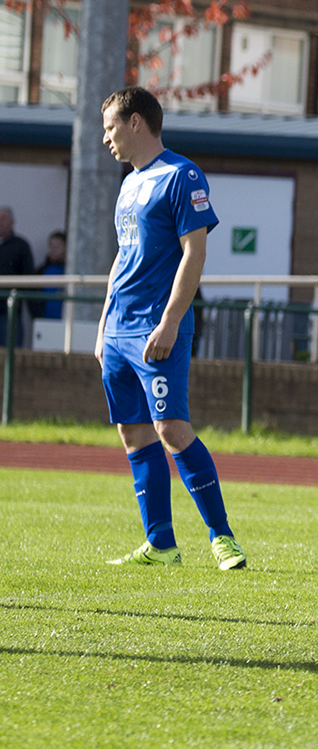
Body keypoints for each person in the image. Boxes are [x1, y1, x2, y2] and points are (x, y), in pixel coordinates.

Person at [93, 87, 246, 570]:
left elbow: (194, 253)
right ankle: (160, 543)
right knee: (134, 433)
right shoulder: (129, 183)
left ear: (137, 122)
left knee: (172, 428)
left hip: (157, 328)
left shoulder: (182, 176)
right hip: (119, 329)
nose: (106, 139)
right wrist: (102, 327)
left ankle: (223, 538)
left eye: (111, 127)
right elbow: (122, 258)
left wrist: (171, 321)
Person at [0, 205, 32, 346]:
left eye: (3, 218)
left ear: (12, 222)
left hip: (10, 314)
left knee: (11, 355)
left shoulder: (20, 245)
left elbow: (29, 279)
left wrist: (35, 313)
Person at [34, 230, 66, 321]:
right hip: (45, 320)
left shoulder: (70, 270)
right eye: (52, 246)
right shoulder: (42, 270)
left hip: (66, 319)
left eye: (57, 246)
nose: (54, 250)